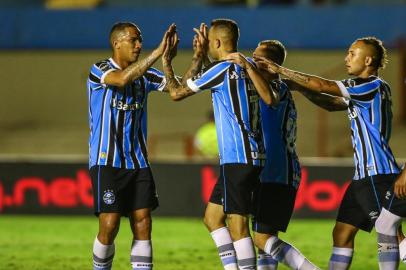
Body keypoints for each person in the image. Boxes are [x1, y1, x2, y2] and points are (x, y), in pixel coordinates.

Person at [256, 36, 405, 270]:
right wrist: (300, 87)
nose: (347, 58)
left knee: (390, 231)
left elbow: (323, 86)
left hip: (377, 174)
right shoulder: (367, 91)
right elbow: (330, 103)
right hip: (362, 178)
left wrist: (281, 70)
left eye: (352, 54)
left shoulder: (370, 85)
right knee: (342, 233)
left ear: (368, 60)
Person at [162, 19, 275, 270]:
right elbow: (211, 76)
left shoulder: (222, 70)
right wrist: (202, 56)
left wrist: (168, 63)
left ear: (217, 42)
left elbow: (177, 93)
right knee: (212, 218)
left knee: (237, 224)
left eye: (209, 43)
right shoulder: (247, 67)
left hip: (238, 157)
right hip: (250, 155)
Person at [86, 22, 176, 270]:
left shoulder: (145, 76)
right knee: (110, 223)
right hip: (107, 160)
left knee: (143, 221)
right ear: (117, 43)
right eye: (133, 40)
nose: (138, 45)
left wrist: (194, 58)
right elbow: (122, 79)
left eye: (140, 40)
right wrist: (157, 53)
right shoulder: (100, 69)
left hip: (137, 161)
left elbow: (178, 89)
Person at [226, 41, 319, 270]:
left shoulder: (274, 90)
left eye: (257, 58)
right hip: (274, 171)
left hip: (276, 172)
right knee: (264, 238)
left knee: (262, 238)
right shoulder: (271, 87)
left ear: (269, 64)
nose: (251, 61)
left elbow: (269, 98)